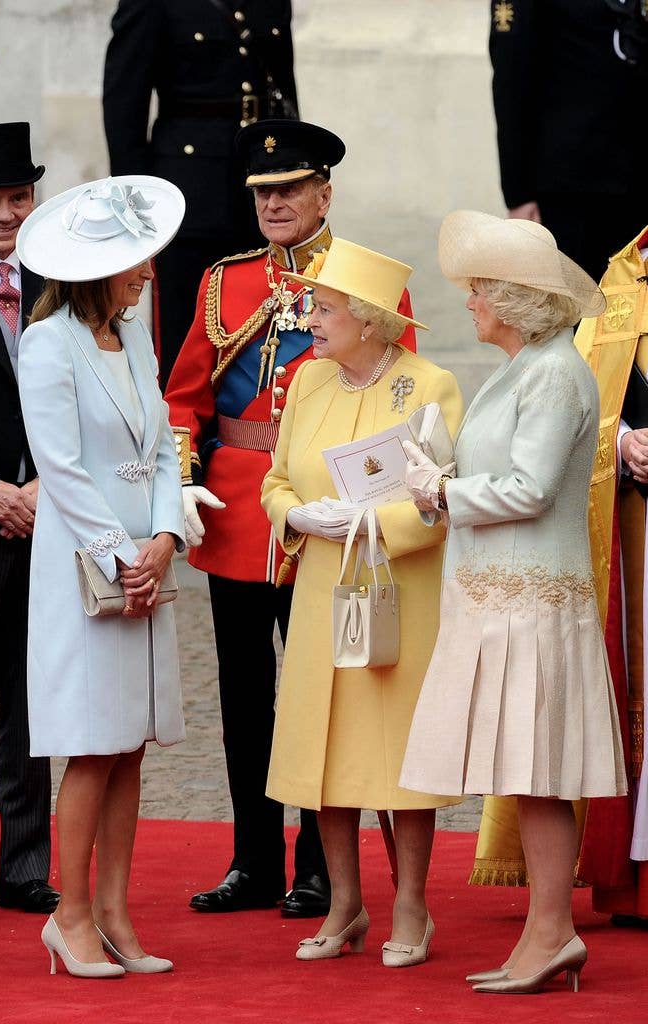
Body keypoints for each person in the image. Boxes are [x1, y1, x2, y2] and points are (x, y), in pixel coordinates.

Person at [166, 119, 418, 918]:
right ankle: (251, 859)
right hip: (243, 512)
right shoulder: (223, 283)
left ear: (323, 193)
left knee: (326, 693)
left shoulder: (367, 281)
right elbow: (186, 400)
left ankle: (318, 864)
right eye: (262, 193)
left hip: (332, 516)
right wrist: (182, 485)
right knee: (245, 695)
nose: (273, 204)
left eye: (288, 189)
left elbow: (396, 392)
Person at [400, 211, 626, 994]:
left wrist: (442, 488)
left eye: (477, 291)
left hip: (530, 600)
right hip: (500, 595)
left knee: (534, 771)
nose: (467, 303)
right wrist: (436, 472)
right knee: (522, 772)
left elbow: (529, 489)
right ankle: (549, 932)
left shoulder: (556, 373)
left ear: (513, 298)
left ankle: (552, 932)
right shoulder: (525, 365)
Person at [261, 238, 463, 965]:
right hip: (323, 586)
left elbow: (441, 501)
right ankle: (344, 904)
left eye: (324, 306)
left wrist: (377, 522)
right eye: (312, 305)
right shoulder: (307, 382)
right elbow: (276, 479)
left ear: (370, 321)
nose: (308, 317)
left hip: (397, 588)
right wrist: (294, 515)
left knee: (395, 753)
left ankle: (410, 904)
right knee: (329, 748)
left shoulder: (429, 384)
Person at [16, 175, 187, 977]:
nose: (149, 274)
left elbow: (159, 447)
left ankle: (116, 910)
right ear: (96, 269)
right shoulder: (47, 343)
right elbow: (61, 466)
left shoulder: (139, 336)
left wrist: (163, 534)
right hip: (82, 566)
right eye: (136, 263)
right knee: (90, 745)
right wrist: (124, 551)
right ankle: (71, 915)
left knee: (130, 744)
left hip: (141, 562)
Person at [103, 0, 298, 389]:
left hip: (261, 186)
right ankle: (181, 440)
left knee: (269, 318)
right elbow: (125, 102)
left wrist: (296, 175)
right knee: (186, 330)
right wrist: (134, 206)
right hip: (187, 193)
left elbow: (285, 93)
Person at [573, 224, 648, 922]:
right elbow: (584, 397)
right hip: (637, 526)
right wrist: (621, 441)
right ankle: (632, 875)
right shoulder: (618, 282)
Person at [0, 121, 58, 915]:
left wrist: (47, 484)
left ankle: (24, 864)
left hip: (43, 518)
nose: (7, 213)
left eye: (18, 196)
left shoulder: (55, 283)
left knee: (31, 698)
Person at [489, 0, 648, 282]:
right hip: (575, 187)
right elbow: (511, 81)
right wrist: (518, 193)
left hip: (637, 176)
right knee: (591, 313)